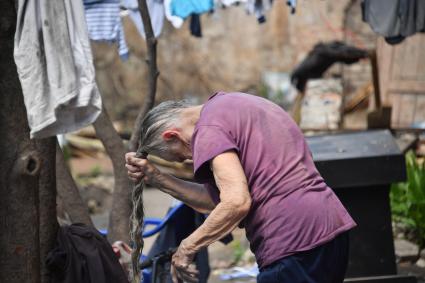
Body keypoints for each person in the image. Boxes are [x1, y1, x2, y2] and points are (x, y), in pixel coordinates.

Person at [125, 92, 356, 283]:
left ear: (172, 135)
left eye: (180, 156)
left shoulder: (207, 131)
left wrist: (187, 247)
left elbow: (236, 203)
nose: (189, 160)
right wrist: (157, 178)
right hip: (329, 226)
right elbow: (216, 199)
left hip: (291, 240)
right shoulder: (234, 104)